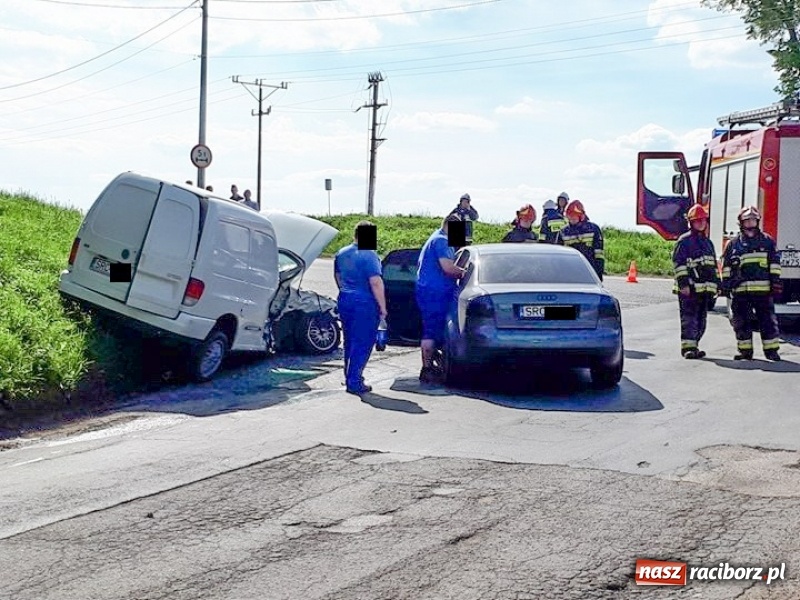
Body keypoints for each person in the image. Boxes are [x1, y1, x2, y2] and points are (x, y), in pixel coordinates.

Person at [720, 206, 782, 361]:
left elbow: (774, 263)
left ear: (758, 221)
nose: (750, 223)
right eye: (747, 220)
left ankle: (771, 351)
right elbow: (726, 266)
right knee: (741, 322)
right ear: (741, 223)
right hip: (741, 291)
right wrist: (726, 285)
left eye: (753, 220)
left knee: (768, 321)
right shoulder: (733, 244)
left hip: (763, 290)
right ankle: (745, 351)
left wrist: (775, 281)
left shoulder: (767, 241)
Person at [333, 221, 388, 395]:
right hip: (364, 303)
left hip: (345, 299)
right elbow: (376, 283)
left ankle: (349, 375)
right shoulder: (369, 255)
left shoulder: (341, 253)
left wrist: (345, 291)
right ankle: (355, 380)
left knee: (349, 340)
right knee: (363, 341)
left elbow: (338, 276)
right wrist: (383, 307)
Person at [416, 214, 465, 383]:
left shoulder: (436, 238)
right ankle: (427, 369)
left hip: (433, 290)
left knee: (435, 329)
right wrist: (467, 273)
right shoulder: (441, 241)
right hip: (435, 293)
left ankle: (433, 366)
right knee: (431, 330)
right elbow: (448, 268)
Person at [672, 204, 719, 359]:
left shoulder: (708, 243)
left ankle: (695, 346)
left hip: (704, 290)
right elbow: (679, 265)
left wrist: (717, 285)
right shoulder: (684, 241)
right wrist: (683, 284)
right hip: (689, 289)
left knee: (701, 320)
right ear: (691, 223)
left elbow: (712, 267)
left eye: (703, 220)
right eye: (697, 221)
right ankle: (688, 348)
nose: (701, 223)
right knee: (689, 319)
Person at [559, 199, 604, 280]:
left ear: (581, 216)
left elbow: (599, 254)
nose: (571, 219)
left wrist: (598, 273)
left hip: (589, 270)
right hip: (569, 271)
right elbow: (558, 254)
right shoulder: (564, 231)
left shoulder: (593, 229)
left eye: (573, 217)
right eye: (569, 217)